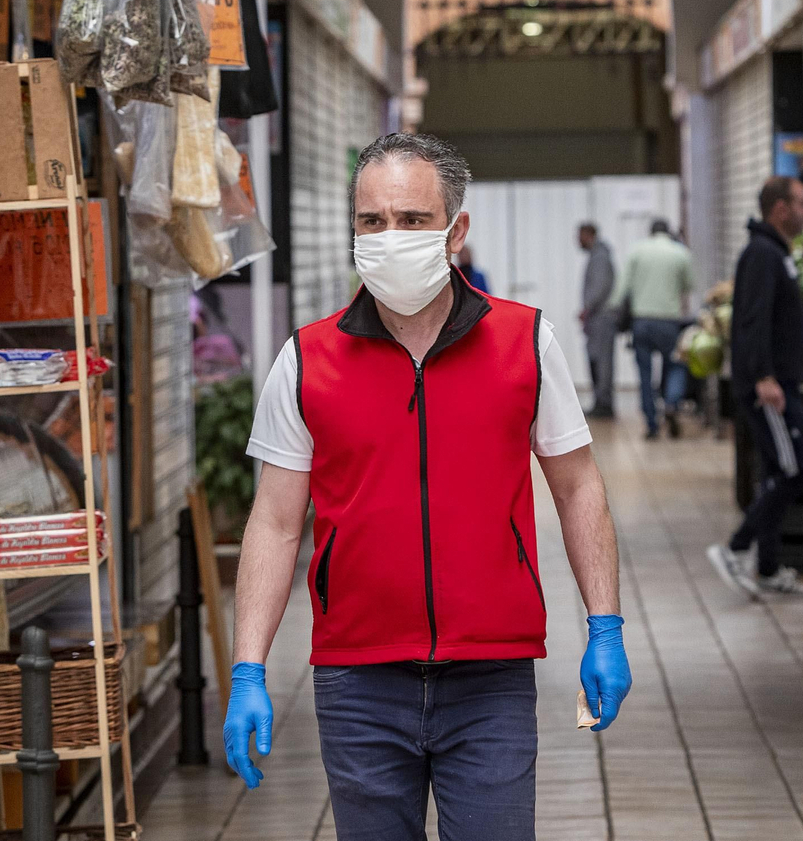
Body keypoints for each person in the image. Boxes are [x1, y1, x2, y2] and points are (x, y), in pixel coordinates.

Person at [223, 133, 632, 840]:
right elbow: (275, 523)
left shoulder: (527, 342)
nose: (390, 238)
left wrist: (605, 626)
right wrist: (248, 669)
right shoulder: (305, 361)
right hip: (357, 678)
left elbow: (577, 487)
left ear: (455, 229)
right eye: (371, 221)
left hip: (491, 675)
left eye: (412, 220)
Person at [711, 175, 803, 599]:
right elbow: (752, 320)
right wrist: (765, 377)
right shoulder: (762, 255)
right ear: (781, 208)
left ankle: (768, 567)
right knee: (794, 469)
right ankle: (735, 548)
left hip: (780, 381)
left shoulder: (775, 252)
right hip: (768, 386)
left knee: (777, 470)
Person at [612, 218, 693, 440]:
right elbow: (688, 286)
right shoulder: (680, 253)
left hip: (642, 322)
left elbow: (622, 288)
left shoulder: (637, 251)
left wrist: (614, 312)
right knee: (676, 365)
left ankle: (651, 423)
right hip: (668, 321)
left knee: (644, 374)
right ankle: (671, 402)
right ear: (668, 232)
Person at [577, 223, 617, 419]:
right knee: (597, 359)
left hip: (601, 317)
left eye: (580, 235)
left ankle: (604, 404)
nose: (577, 240)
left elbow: (599, 287)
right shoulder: (597, 254)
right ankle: (600, 401)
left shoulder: (600, 256)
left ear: (589, 234)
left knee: (602, 362)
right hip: (596, 317)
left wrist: (587, 308)